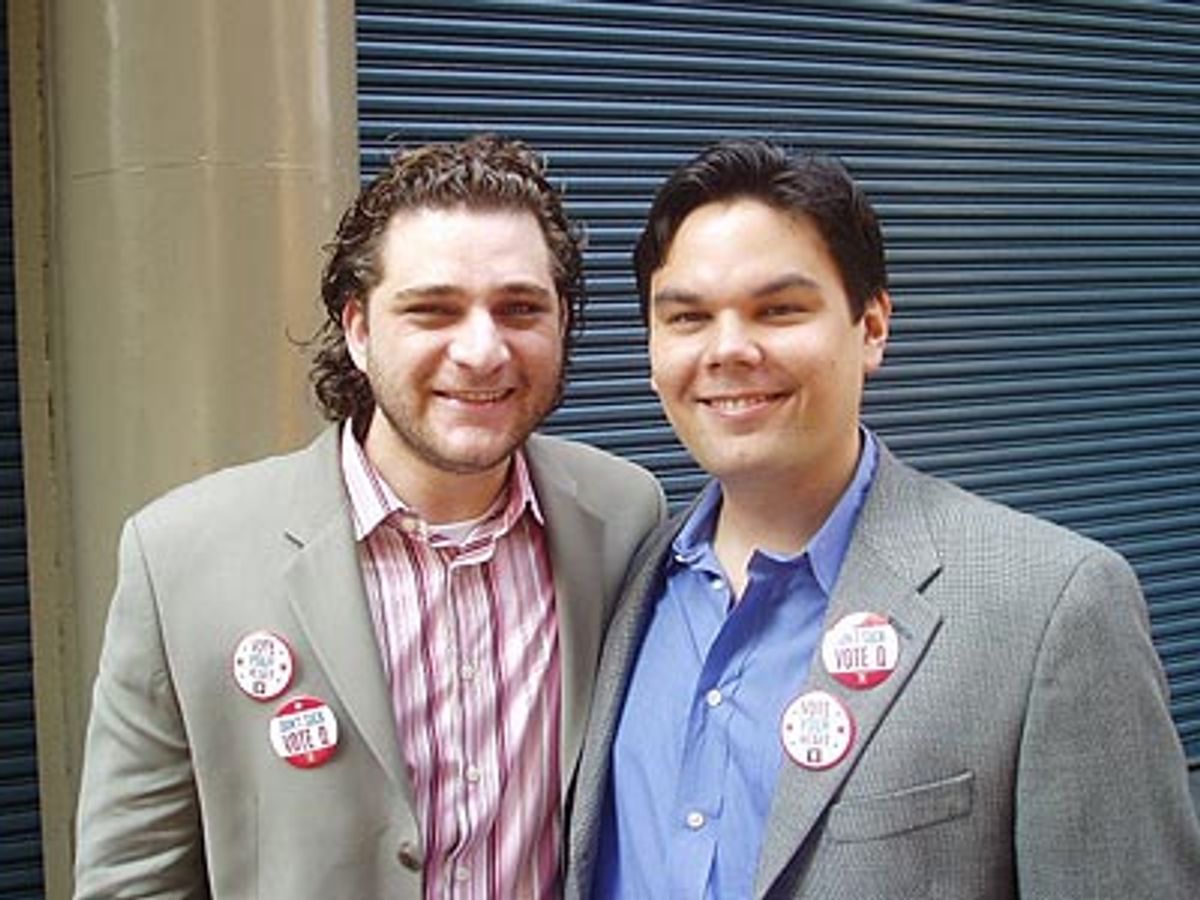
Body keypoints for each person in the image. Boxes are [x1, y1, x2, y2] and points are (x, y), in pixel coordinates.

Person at [565, 139, 1200, 899]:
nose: (729, 349)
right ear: (652, 347)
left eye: (780, 309)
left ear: (871, 328)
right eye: (688, 317)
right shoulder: (619, 584)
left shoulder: (1054, 606)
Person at [73, 134, 666, 899]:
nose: (483, 350)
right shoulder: (181, 559)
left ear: (561, 323)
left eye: (520, 308)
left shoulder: (623, 517)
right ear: (358, 329)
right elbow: (132, 878)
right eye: (433, 310)